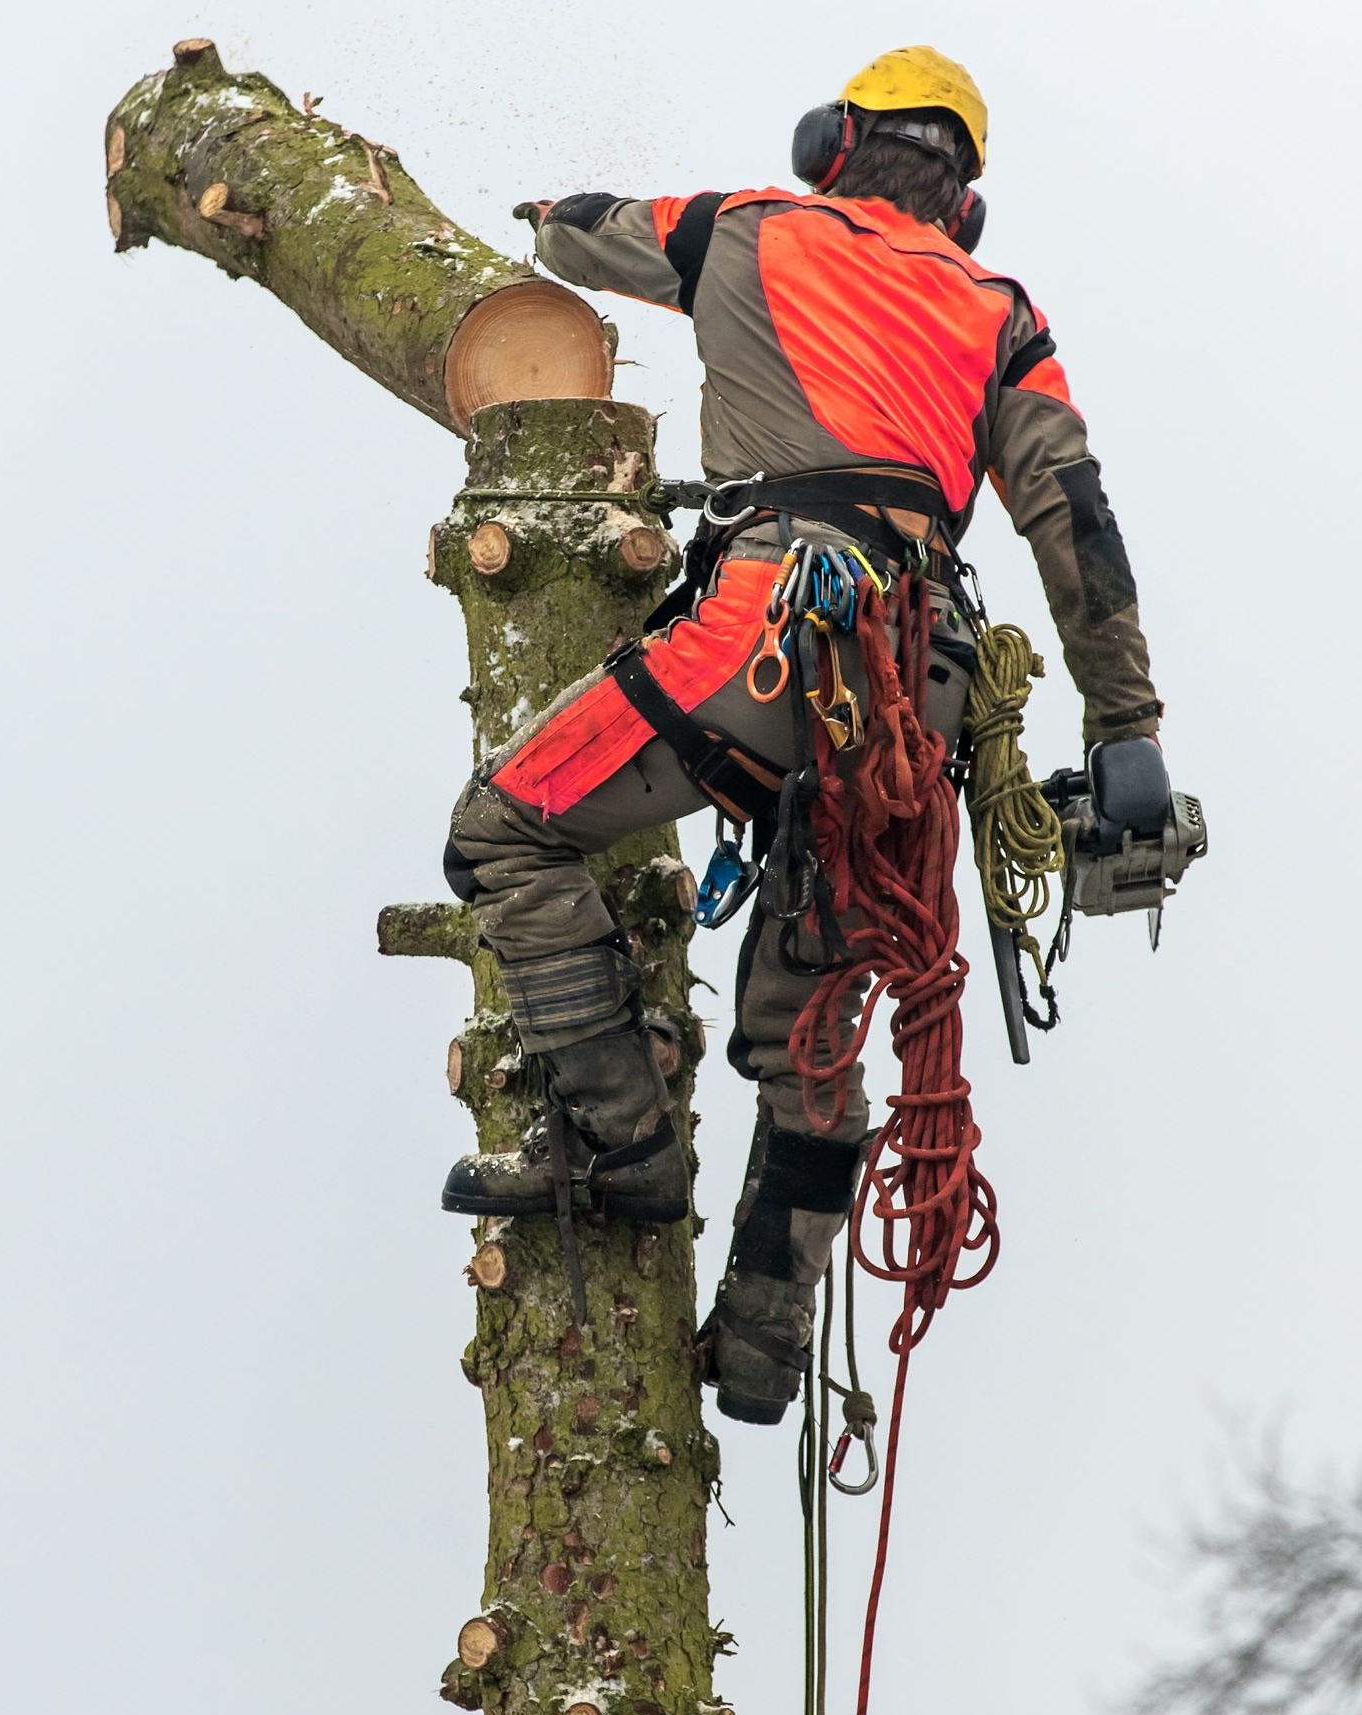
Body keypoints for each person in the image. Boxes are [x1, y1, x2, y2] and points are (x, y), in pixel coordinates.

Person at [439, 45, 1165, 1424]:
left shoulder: (742, 228)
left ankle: (623, 1141)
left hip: (770, 626)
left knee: (504, 835)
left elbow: (576, 232)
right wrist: (1126, 722)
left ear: (830, 142)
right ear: (966, 201)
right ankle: (765, 1340)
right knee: (812, 1028)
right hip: (921, 675)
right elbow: (1076, 517)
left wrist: (538, 211)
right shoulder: (999, 310)